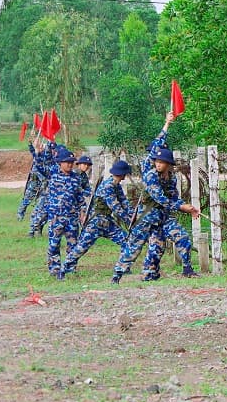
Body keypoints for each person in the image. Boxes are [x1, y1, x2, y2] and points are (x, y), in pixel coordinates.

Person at [111, 112, 200, 283]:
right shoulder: (150, 174)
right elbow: (160, 198)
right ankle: (117, 275)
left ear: (168, 164)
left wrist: (188, 208)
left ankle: (185, 269)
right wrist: (166, 123)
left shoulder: (172, 177)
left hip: (163, 217)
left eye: (161, 161)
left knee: (177, 239)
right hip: (147, 217)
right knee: (134, 247)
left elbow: (173, 196)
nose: (158, 163)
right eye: (156, 160)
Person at [59, 160, 134, 278]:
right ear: (122, 174)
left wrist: (132, 216)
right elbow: (115, 207)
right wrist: (128, 220)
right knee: (81, 247)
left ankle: (122, 267)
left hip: (107, 221)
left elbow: (124, 203)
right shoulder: (108, 186)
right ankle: (64, 269)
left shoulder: (116, 185)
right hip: (96, 222)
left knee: (127, 241)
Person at [34, 145, 86, 277]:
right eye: (67, 162)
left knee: (73, 245)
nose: (69, 165)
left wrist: (83, 212)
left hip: (71, 218)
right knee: (54, 245)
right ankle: (54, 269)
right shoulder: (53, 173)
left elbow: (80, 197)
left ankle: (70, 268)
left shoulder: (76, 178)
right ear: (60, 163)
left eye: (71, 162)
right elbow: (39, 167)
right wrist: (38, 153)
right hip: (56, 217)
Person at [17, 140, 47, 222]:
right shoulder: (36, 156)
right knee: (26, 199)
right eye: (40, 147)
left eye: (42, 147)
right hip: (34, 183)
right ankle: (20, 215)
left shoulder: (45, 158)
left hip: (42, 185)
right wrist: (30, 143)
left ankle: (36, 217)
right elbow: (35, 170)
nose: (41, 148)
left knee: (41, 201)